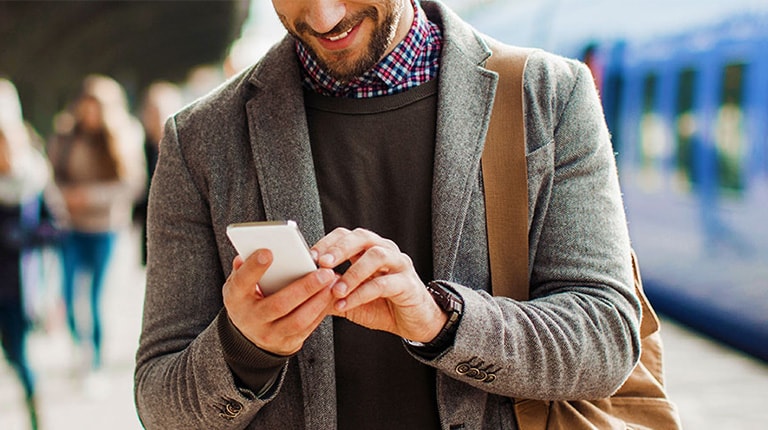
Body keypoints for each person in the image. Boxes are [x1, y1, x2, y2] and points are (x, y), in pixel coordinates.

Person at [134, 1, 641, 429]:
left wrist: (440, 321)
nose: (323, 15)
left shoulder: (549, 95)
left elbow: (607, 338)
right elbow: (159, 403)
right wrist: (245, 349)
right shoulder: (199, 140)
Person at [47, 74, 146, 385]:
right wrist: (65, 197)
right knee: (68, 292)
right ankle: (81, 350)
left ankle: (97, 360)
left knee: (96, 297)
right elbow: (51, 178)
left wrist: (89, 197)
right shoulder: (65, 137)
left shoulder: (123, 136)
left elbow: (132, 185)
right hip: (71, 227)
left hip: (105, 228)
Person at [0, 77, 50, 430]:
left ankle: (36, 412)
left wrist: (22, 236)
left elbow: (54, 228)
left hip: (15, 287)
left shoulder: (32, 182)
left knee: (19, 357)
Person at [134, 81, 183, 266]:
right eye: (152, 111)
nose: (156, 117)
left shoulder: (182, 147)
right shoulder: (140, 147)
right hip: (148, 225)